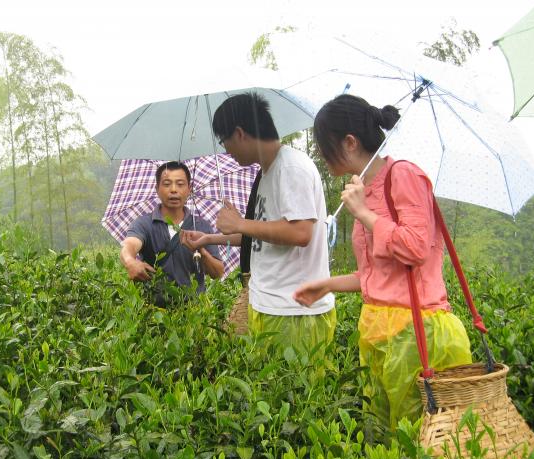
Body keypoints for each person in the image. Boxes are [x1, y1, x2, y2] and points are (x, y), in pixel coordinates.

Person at [293, 94, 472, 432]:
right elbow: (376, 275)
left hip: (418, 332)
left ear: (349, 142)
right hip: (377, 329)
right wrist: (327, 285)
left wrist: (364, 213)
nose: (320, 153)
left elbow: (417, 248)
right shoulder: (364, 188)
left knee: (422, 440)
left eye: (323, 145)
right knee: (383, 439)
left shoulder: (403, 175)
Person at [181, 92, 336, 354]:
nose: (226, 151)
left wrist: (241, 223)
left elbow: (300, 232)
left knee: (294, 394)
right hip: (270, 304)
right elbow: (263, 234)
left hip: (293, 311)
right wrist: (209, 239)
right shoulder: (267, 172)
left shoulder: (290, 168)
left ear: (240, 133)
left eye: (225, 141)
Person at [120, 161, 224, 305]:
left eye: (180, 184)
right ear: (157, 189)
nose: (173, 190)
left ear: (189, 189)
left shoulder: (201, 226)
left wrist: (201, 250)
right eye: (167, 184)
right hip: (152, 313)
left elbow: (217, 273)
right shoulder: (144, 224)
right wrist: (130, 262)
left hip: (194, 316)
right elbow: (129, 245)